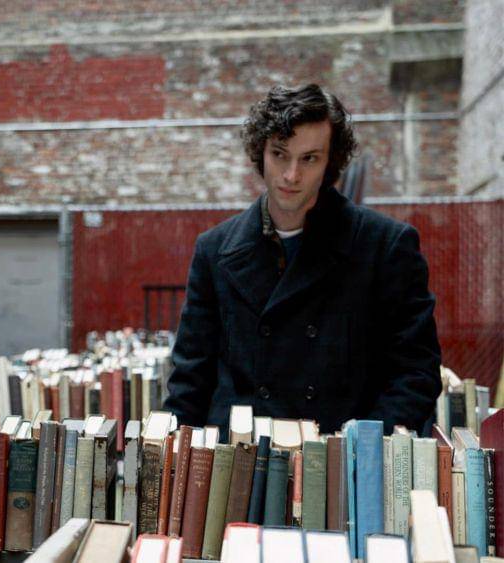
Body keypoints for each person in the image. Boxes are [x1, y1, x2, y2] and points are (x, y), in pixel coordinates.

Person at [163, 84, 441, 435]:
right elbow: (189, 385)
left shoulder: (385, 246)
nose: (291, 175)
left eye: (309, 158)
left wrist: (361, 445)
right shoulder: (213, 251)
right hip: (239, 458)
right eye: (280, 154)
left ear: (330, 163)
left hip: (339, 456)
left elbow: (416, 373)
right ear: (261, 153)